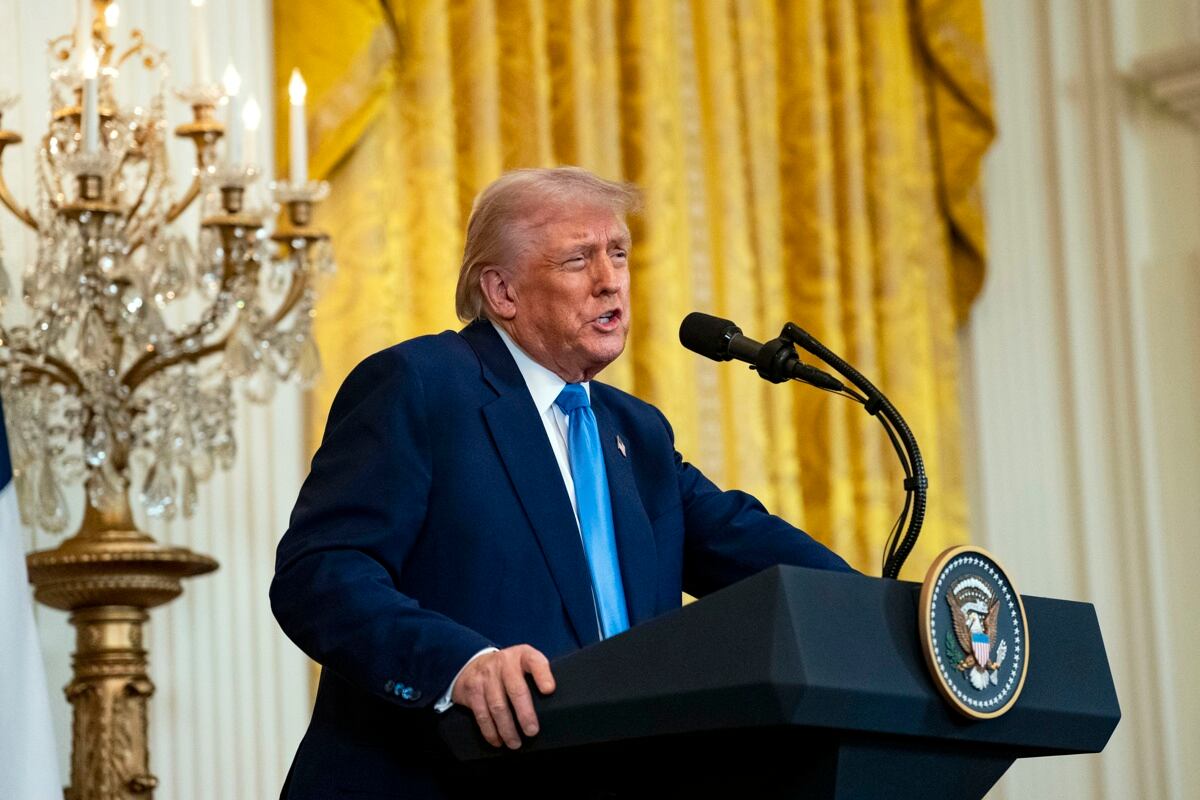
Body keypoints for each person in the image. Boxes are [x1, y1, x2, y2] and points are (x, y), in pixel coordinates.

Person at [270, 167, 854, 799]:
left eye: (619, 255)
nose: (610, 281)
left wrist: (897, 621)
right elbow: (320, 574)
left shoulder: (637, 434)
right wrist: (459, 666)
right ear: (502, 292)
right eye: (578, 260)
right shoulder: (420, 387)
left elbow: (757, 552)